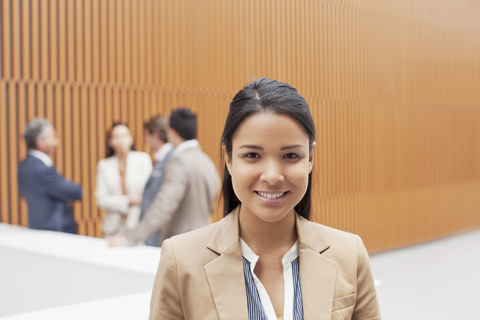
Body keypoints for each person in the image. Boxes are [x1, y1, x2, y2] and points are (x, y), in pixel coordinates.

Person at [148, 79, 381, 319]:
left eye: (291, 155)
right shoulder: (181, 260)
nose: (272, 176)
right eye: (252, 155)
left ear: (310, 158)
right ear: (228, 158)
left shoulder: (349, 255)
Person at [108, 108, 220, 246]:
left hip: (180, 244)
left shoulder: (179, 161)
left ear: (172, 132)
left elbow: (164, 205)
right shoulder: (207, 162)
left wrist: (129, 239)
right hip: (203, 240)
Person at [17, 118, 82, 234]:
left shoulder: (23, 167)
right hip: (56, 232)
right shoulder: (43, 170)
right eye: (52, 138)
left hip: (37, 228)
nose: (56, 142)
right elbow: (75, 191)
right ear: (40, 142)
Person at [95, 122, 152, 237]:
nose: (121, 139)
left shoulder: (143, 159)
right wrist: (129, 200)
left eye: (125, 135)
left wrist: (130, 226)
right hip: (111, 228)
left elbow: (144, 196)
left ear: (131, 139)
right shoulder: (104, 165)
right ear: (110, 142)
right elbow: (101, 199)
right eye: (116, 136)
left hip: (137, 226)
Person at [140, 115, 174, 246]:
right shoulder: (161, 159)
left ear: (154, 136)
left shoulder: (171, 159)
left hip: (161, 236)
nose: (145, 140)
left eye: (146, 136)